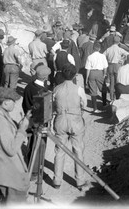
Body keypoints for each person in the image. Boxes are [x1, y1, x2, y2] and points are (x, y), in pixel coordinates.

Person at [0, 87, 30, 205]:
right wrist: (22, 130)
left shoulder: (1, 116)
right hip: (9, 175)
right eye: (13, 101)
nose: (15, 104)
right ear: (5, 102)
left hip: (8, 172)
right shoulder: (0, 122)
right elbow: (11, 149)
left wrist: (23, 121)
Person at [51, 63, 88, 191]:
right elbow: (85, 104)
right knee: (78, 150)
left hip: (61, 120)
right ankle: (80, 180)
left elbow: (53, 105)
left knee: (59, 151)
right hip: (75, 120)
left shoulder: (56, 89)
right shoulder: (79, 89)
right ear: (74, 75)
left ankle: (57, 180)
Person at [103, 35, 128, 106]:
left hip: (110, 66)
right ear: (119, 42)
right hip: (117, 66)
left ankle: (111, 98)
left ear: (113, 41)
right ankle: (117, 97)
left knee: (111, 83)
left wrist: (107, 61)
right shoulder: (120, 49)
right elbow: (127, 54)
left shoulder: (109, 49)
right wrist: (122, 59)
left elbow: (103, 55)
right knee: (118, 83)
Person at [84, 42, 108, 113]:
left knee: (93, 91)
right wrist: (104, 74)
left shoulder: (89, 57)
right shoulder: (102, 56)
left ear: (93, 48)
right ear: (99, 49)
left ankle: (95, 109)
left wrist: (87, 78)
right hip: (99, 72)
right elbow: (105, 67)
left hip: (91, 73)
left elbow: (88, 69)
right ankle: (104, 104)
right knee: (103, 89)